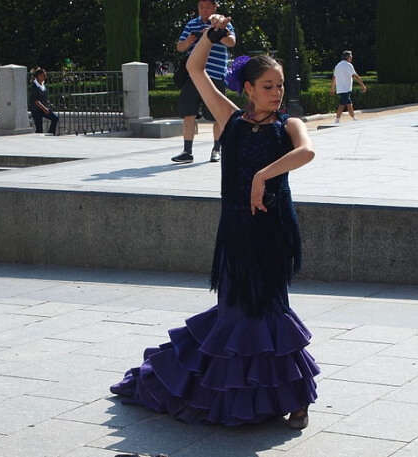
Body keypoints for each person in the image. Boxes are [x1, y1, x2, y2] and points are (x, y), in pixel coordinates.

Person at [111, 14, 318, 429]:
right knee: (236, 311)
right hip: (238, 231)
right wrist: (209, 34)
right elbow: (194, 68)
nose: (276, 93)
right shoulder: (230, 120)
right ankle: (233, 393)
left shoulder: (289, 124)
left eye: (279, 86)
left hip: (274, 231)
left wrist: (263, 176)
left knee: (272, 309)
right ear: (248, 90)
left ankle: (297, 397)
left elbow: (306, 152)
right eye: (268, 86)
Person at [172, 0, 236, 164]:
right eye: (201, 7)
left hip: (215, 75)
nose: (204, 10)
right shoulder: (192, 24)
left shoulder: (222, 23)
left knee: (217, 115)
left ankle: (216, 149)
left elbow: (232, 42)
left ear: (215, 7)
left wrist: (215, 34)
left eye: (208, 7)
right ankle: (187, 151)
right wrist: (189, 42)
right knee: (188, 112)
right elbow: (179, 46)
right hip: (193, 76)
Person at [330, 50, 366, 123]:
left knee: (349, 104)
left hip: (341, 89)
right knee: (342, 104)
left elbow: (334, 78)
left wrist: (332, 88)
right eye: (351, 56)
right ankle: (337, 119)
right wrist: (363, 85)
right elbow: (355, 75)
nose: (352, 57)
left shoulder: (338, 65)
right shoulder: (348, 65)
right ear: (348, 57)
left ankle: (353, 117)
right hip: (345, 89)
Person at [29, 67, 59, 135]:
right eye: (43, 75)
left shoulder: (42, 84)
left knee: (55, 118)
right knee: (39, 129)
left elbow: (43, 96)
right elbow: (36, 100)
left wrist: (48, 103)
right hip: (36, 110)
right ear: (38, 76)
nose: (45, 77)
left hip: (43, 108)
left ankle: (51, 134)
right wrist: (44, 108)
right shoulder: (34, 86)